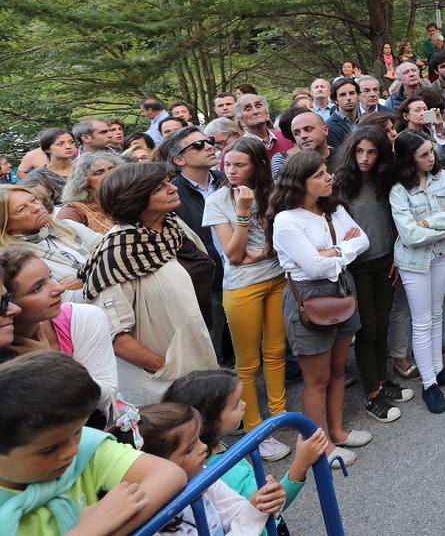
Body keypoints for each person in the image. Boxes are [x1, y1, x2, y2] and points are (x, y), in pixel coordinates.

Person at [0, 353, 186, 536]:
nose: (72, 450)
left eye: (77, 431)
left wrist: (105, 524)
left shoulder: (86, 451)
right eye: (50, 449)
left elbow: (169, 475)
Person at [268, 150, 371, 467]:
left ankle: (337, 431)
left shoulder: (334, 207)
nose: (329, 177)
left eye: (327, 172)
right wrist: (341, 250)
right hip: (310, 297)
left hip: (341, 287)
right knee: (317, 379)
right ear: (299, 183)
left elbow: (363, 240)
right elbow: (312, 268)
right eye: (320, 175)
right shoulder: (286, 221)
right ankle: (321, 447)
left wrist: (334, 251)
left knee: (339, 368)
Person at [84, 162, 217, 406]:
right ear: (133, 200)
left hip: (198, 356)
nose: (172, 188)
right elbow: (115, 337)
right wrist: (171, 370)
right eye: (159, 188)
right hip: (167, 384)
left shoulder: (172, 227)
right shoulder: (117, 253)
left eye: (168, 181)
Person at [199, 136, 291, 461]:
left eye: (240, 164)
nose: (232, 170)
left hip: (277, 278)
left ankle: (279, 414)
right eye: (227, 164)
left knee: (277, 350)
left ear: (258, 165)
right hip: (242, 286)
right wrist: (242, 212)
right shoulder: (218, 200)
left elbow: (279, 242)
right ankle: (253, 428)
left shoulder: (276, 190)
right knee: (247, 363)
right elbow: (234, 254)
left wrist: (262, 251)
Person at [163, 369, 334, 526]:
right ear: (208, 422)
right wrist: (301, 463)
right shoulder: (223, 471)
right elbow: (272, 506)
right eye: (236, 404)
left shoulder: (213, 449)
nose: (244, 404)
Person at [331, 126, 414, 419]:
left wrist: (395, 253)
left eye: (371, 152)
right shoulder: (340, 184)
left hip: (385, 260)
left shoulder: (385, 181)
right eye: (359, 151)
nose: (364, 158)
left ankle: (382, 380)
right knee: (366, 329)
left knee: (382, 325)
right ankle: (371, 395)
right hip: (358, 267)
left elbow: (393, 220)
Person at [389, 131, 445, 413]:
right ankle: (428, 383)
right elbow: (409, 236)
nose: (431, 157)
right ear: (409, 160)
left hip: (441, 255)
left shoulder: (443, 178)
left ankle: (438, 369)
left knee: (437, 314)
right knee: (422, 321)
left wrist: (428, 223)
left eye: (431, 151)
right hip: (414, 262)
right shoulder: (399, 190)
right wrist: (443, 226)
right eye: (423, 155)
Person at [0, 247, 119, 418]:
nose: (59, 288)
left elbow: (105, 398)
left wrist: (50, 364)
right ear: (9, 301)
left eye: (51, 277)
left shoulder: (82, 319)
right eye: (38, 288)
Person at [133, 402, 282, 534]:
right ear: (158, 464)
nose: (204, 447)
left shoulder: (201, 476)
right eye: (189, 449)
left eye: (198, 438)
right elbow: (248, 520)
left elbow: (236, 512)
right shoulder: (155, 526)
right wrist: (254, 513)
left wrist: (264, 501)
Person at [158, 126, 229, 364]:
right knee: (213, 348)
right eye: (198, 145)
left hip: (244, 271)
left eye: (209, 140)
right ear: (179, 160)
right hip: (208, 281)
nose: (210, 146)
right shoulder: (171, 193)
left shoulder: (226, 180)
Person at [0, 185, 102, 297]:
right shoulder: (15, 260)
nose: (36, 207)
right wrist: (99, 261)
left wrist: (84, 279)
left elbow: (115, 254)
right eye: (22, 209)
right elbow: (66, 300)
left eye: (33, 200)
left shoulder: (67, 226)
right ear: (5, 224)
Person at [56, 153, 124, 235]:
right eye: (99, 172)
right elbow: (66, 242)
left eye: (112, 169)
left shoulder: (127, 202)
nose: (109, 174)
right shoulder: (74, 211)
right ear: (83, 181)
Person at [34, 129, 76, 197]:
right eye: (60, 144)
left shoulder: (85, 168)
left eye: (71, 142)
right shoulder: (39, 176)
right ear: (47, 149)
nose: (69, 146)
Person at [324, 76, 362, 150]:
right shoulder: (330, 127)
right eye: (342, 95)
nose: (348, 98)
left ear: (358, 96)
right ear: (335, 100)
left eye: (352, 93)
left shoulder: (368, 119)